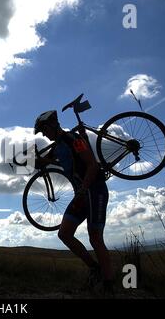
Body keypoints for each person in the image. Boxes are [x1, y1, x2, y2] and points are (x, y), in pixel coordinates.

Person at [34, 110, 114, 294]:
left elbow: (93, 165)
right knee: (64, 233)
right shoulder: (57, 146)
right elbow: (45, 162)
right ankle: (95, 269)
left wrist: (84, 188)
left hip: (94, 190)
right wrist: (24, 160)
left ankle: (109, 284)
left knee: (95, 238)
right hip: (82, 194)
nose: (44, 135)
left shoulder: (73, 139)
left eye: (44, 131)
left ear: (51, 125)